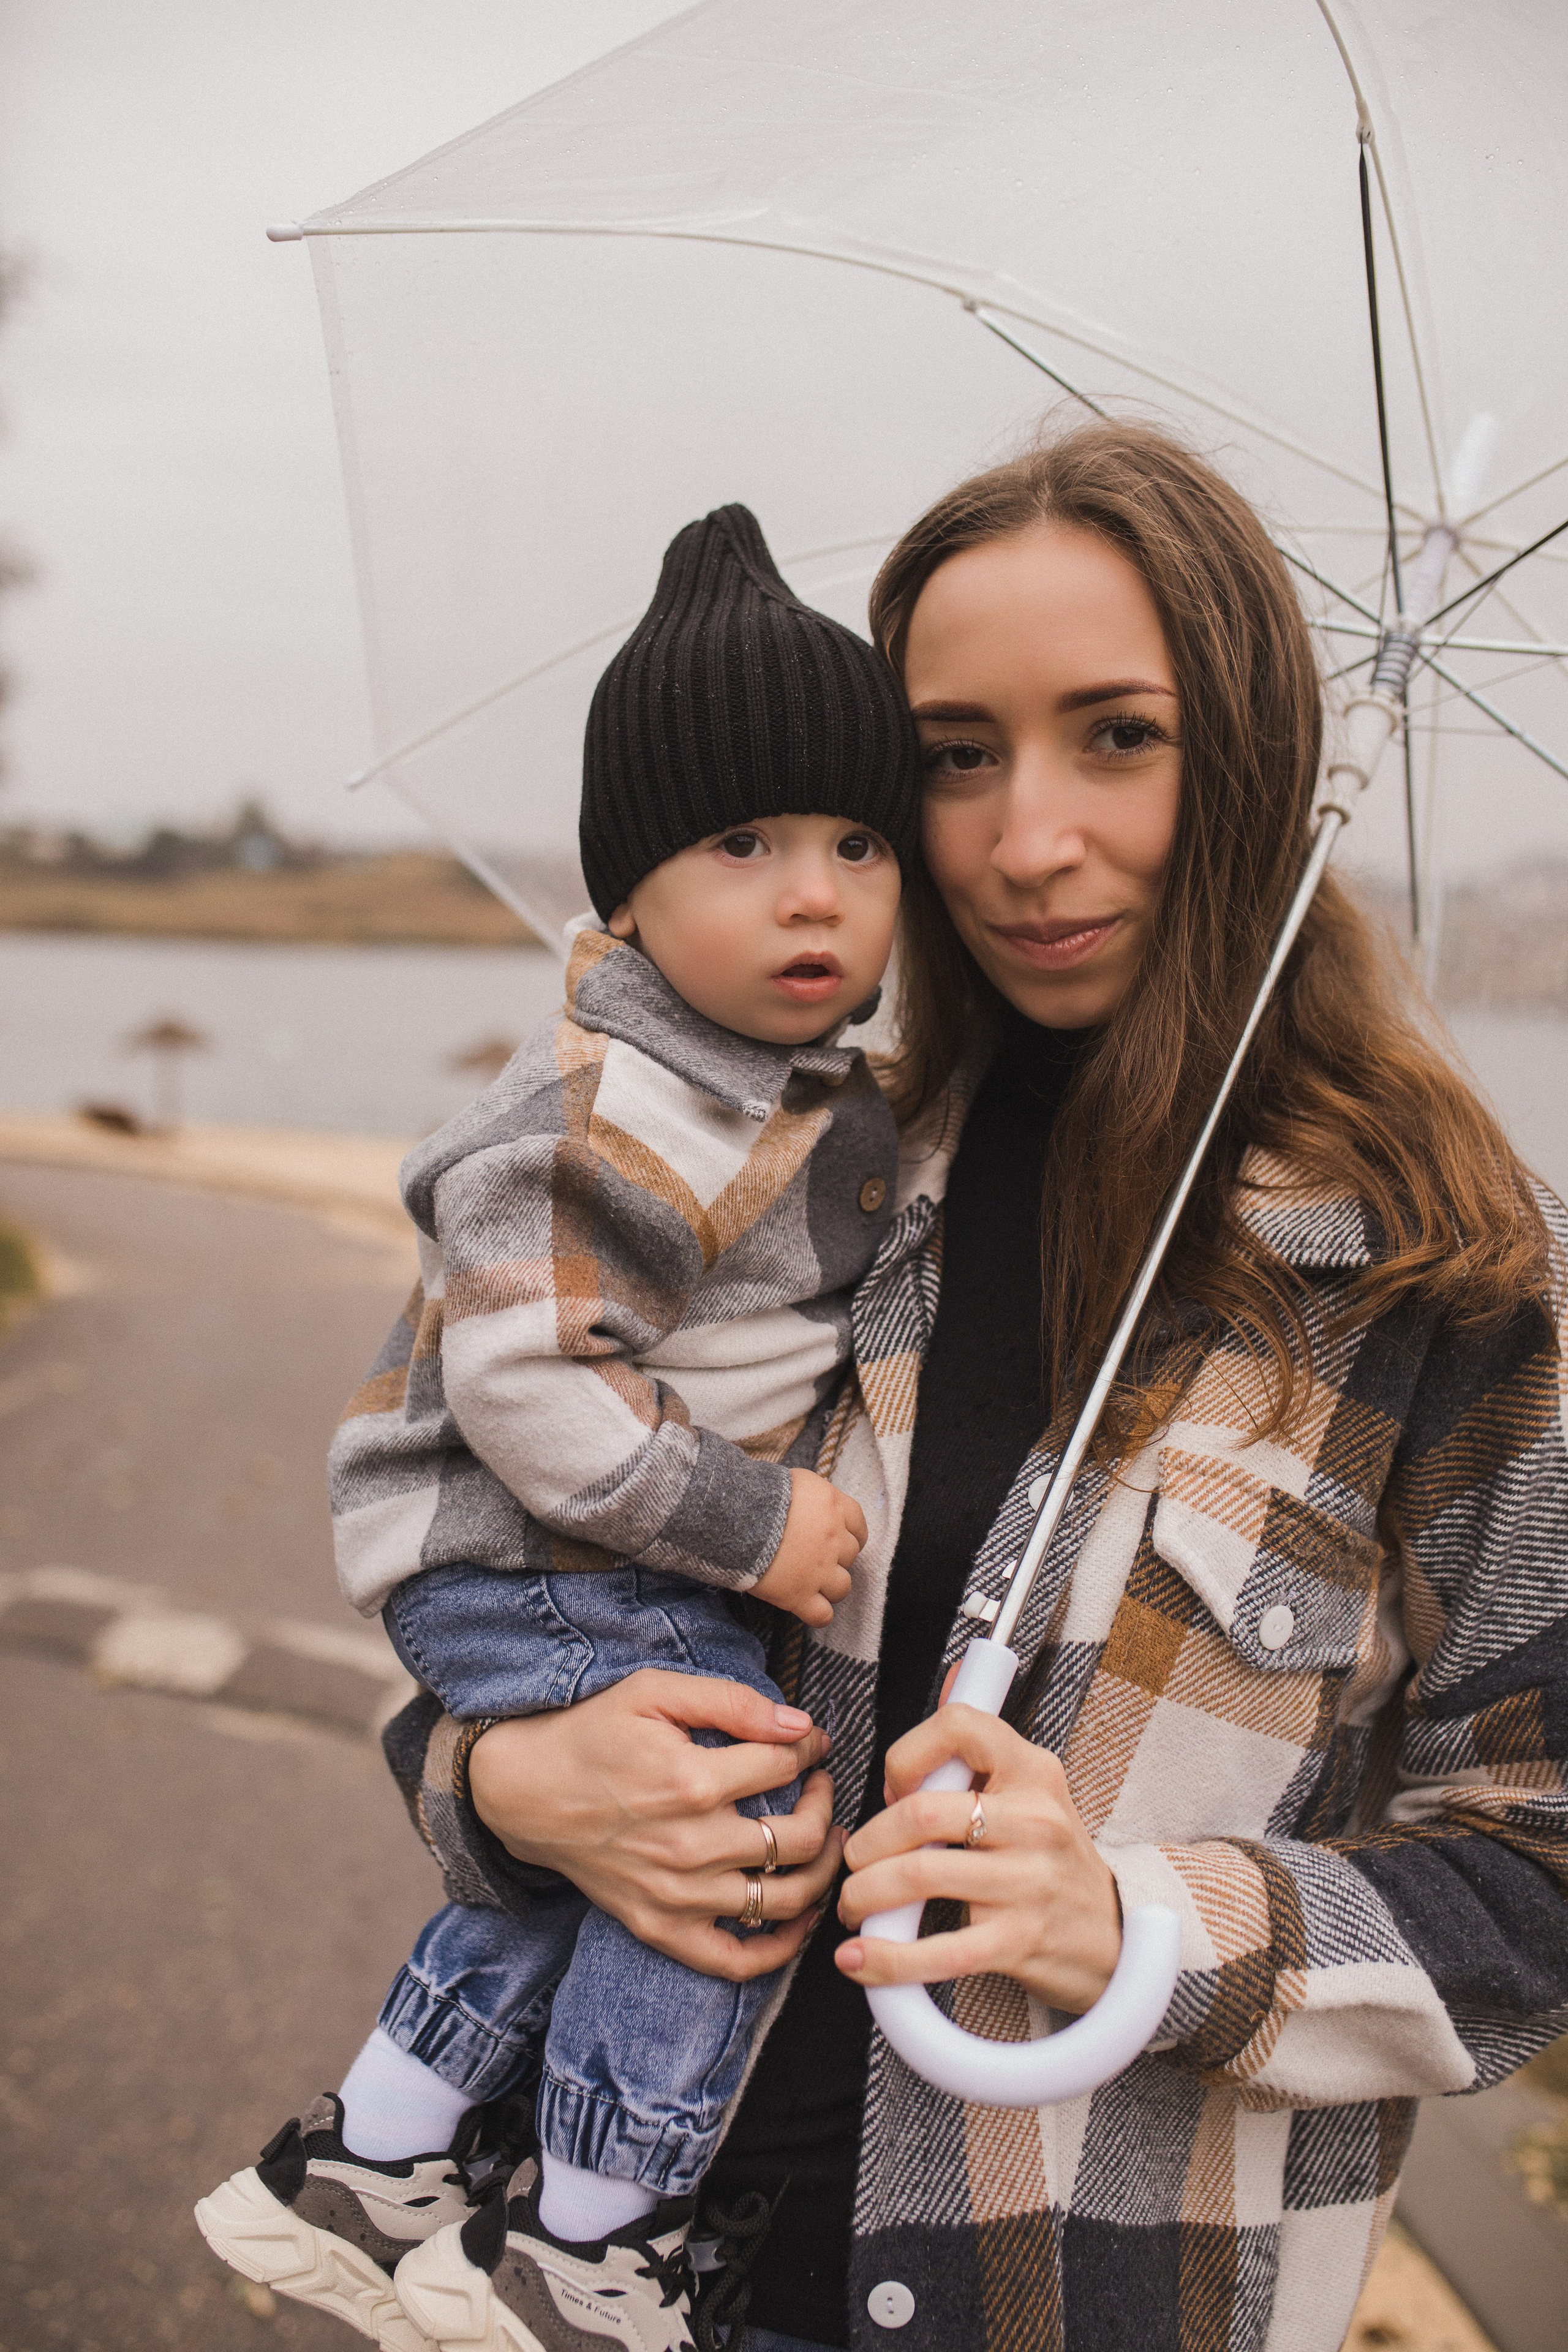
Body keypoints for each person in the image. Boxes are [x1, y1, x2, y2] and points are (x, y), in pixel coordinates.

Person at [375, 421, 1568, 2352]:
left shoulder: (1458, 1276)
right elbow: (468, 1578)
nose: (1028, 842)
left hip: (1088, 2296)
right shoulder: (742, 1172)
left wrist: (1142, 1926)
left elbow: (1539, 1865)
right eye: (953, 756)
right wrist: (509, 1787)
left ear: (1252, 758)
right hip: (590, 2259)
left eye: (1119, 736)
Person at [194, 502, 925, 2351]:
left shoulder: (791, 1090)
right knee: (735, 1812)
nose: (818, 891)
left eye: (860, 841)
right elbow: (523, 1384)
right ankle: (589, 2239)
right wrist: (753, 1525)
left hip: (565, 1557)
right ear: (631, 897)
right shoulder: (609, 1103)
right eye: (745, 843)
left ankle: (374, 2156)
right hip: (522, 1551)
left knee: (604, 1856)